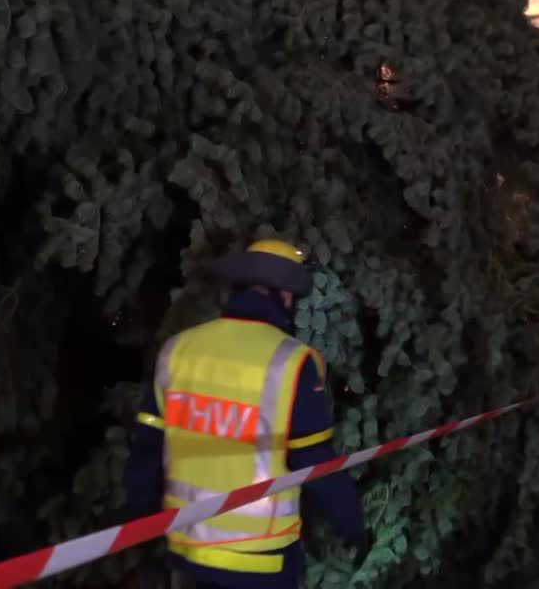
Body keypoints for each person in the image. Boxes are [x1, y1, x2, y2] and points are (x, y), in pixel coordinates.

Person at [125, 239, 366, 589]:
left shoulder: (178, 350)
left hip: (185, 554)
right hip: (259, 563)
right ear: (284, 296)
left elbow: (147, 450)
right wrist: (353, 526)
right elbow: (315, 463)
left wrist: (139, 522)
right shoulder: (290, 363)